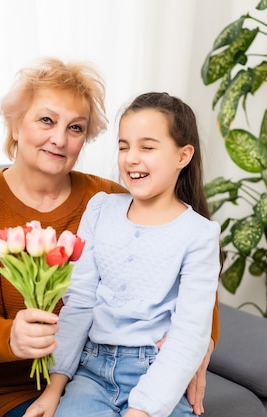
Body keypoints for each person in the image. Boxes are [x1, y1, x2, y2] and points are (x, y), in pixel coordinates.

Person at [0, 58, 219, 417]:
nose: (59, 138)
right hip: (20, 387)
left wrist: (200, 343)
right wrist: (10, 337)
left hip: (133, 373)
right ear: (16, 124)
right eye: (47, 120)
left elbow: (186, 282)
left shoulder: (109, 198)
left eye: (76, 127)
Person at [28, 92, 221, 417]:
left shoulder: (200, 234)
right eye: (123, 146)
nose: (131, 158)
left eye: (147, 147)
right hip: (91, 373)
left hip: (157, 374)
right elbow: (80, 303)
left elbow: (190, 333)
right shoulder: (101, 209)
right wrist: (54, 389)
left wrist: (143, 410)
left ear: (183, 156)